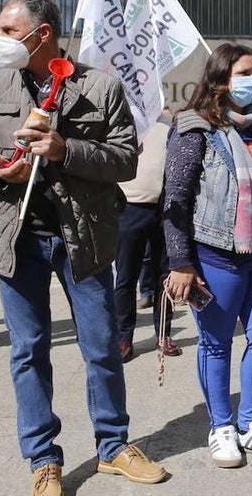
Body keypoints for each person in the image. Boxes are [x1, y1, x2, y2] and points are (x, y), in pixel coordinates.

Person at [0, 0, 167, 495]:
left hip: (84, 238)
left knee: (101, 347)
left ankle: (114, 446)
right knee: (28, 351)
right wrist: (1, 168)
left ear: (41, 33)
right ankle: (42, 459)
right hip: (15, 236)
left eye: (8, 31)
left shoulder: (100, 86)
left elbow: (124, 160)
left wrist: (65, 149)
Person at [163, 43, 252, 468]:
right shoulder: (193, 127)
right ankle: (221, 427)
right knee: (216, 343)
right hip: (215, 254)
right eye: (245, 72)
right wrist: (180, 262)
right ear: (222, 78)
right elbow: (176, 198)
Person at [114, 106, 179, 363]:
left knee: (165, 276)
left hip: (165, 209)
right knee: (126, 278)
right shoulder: (122, 120)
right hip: (129, 208)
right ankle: (123, 339)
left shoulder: (170, 122)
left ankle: (163, 334)